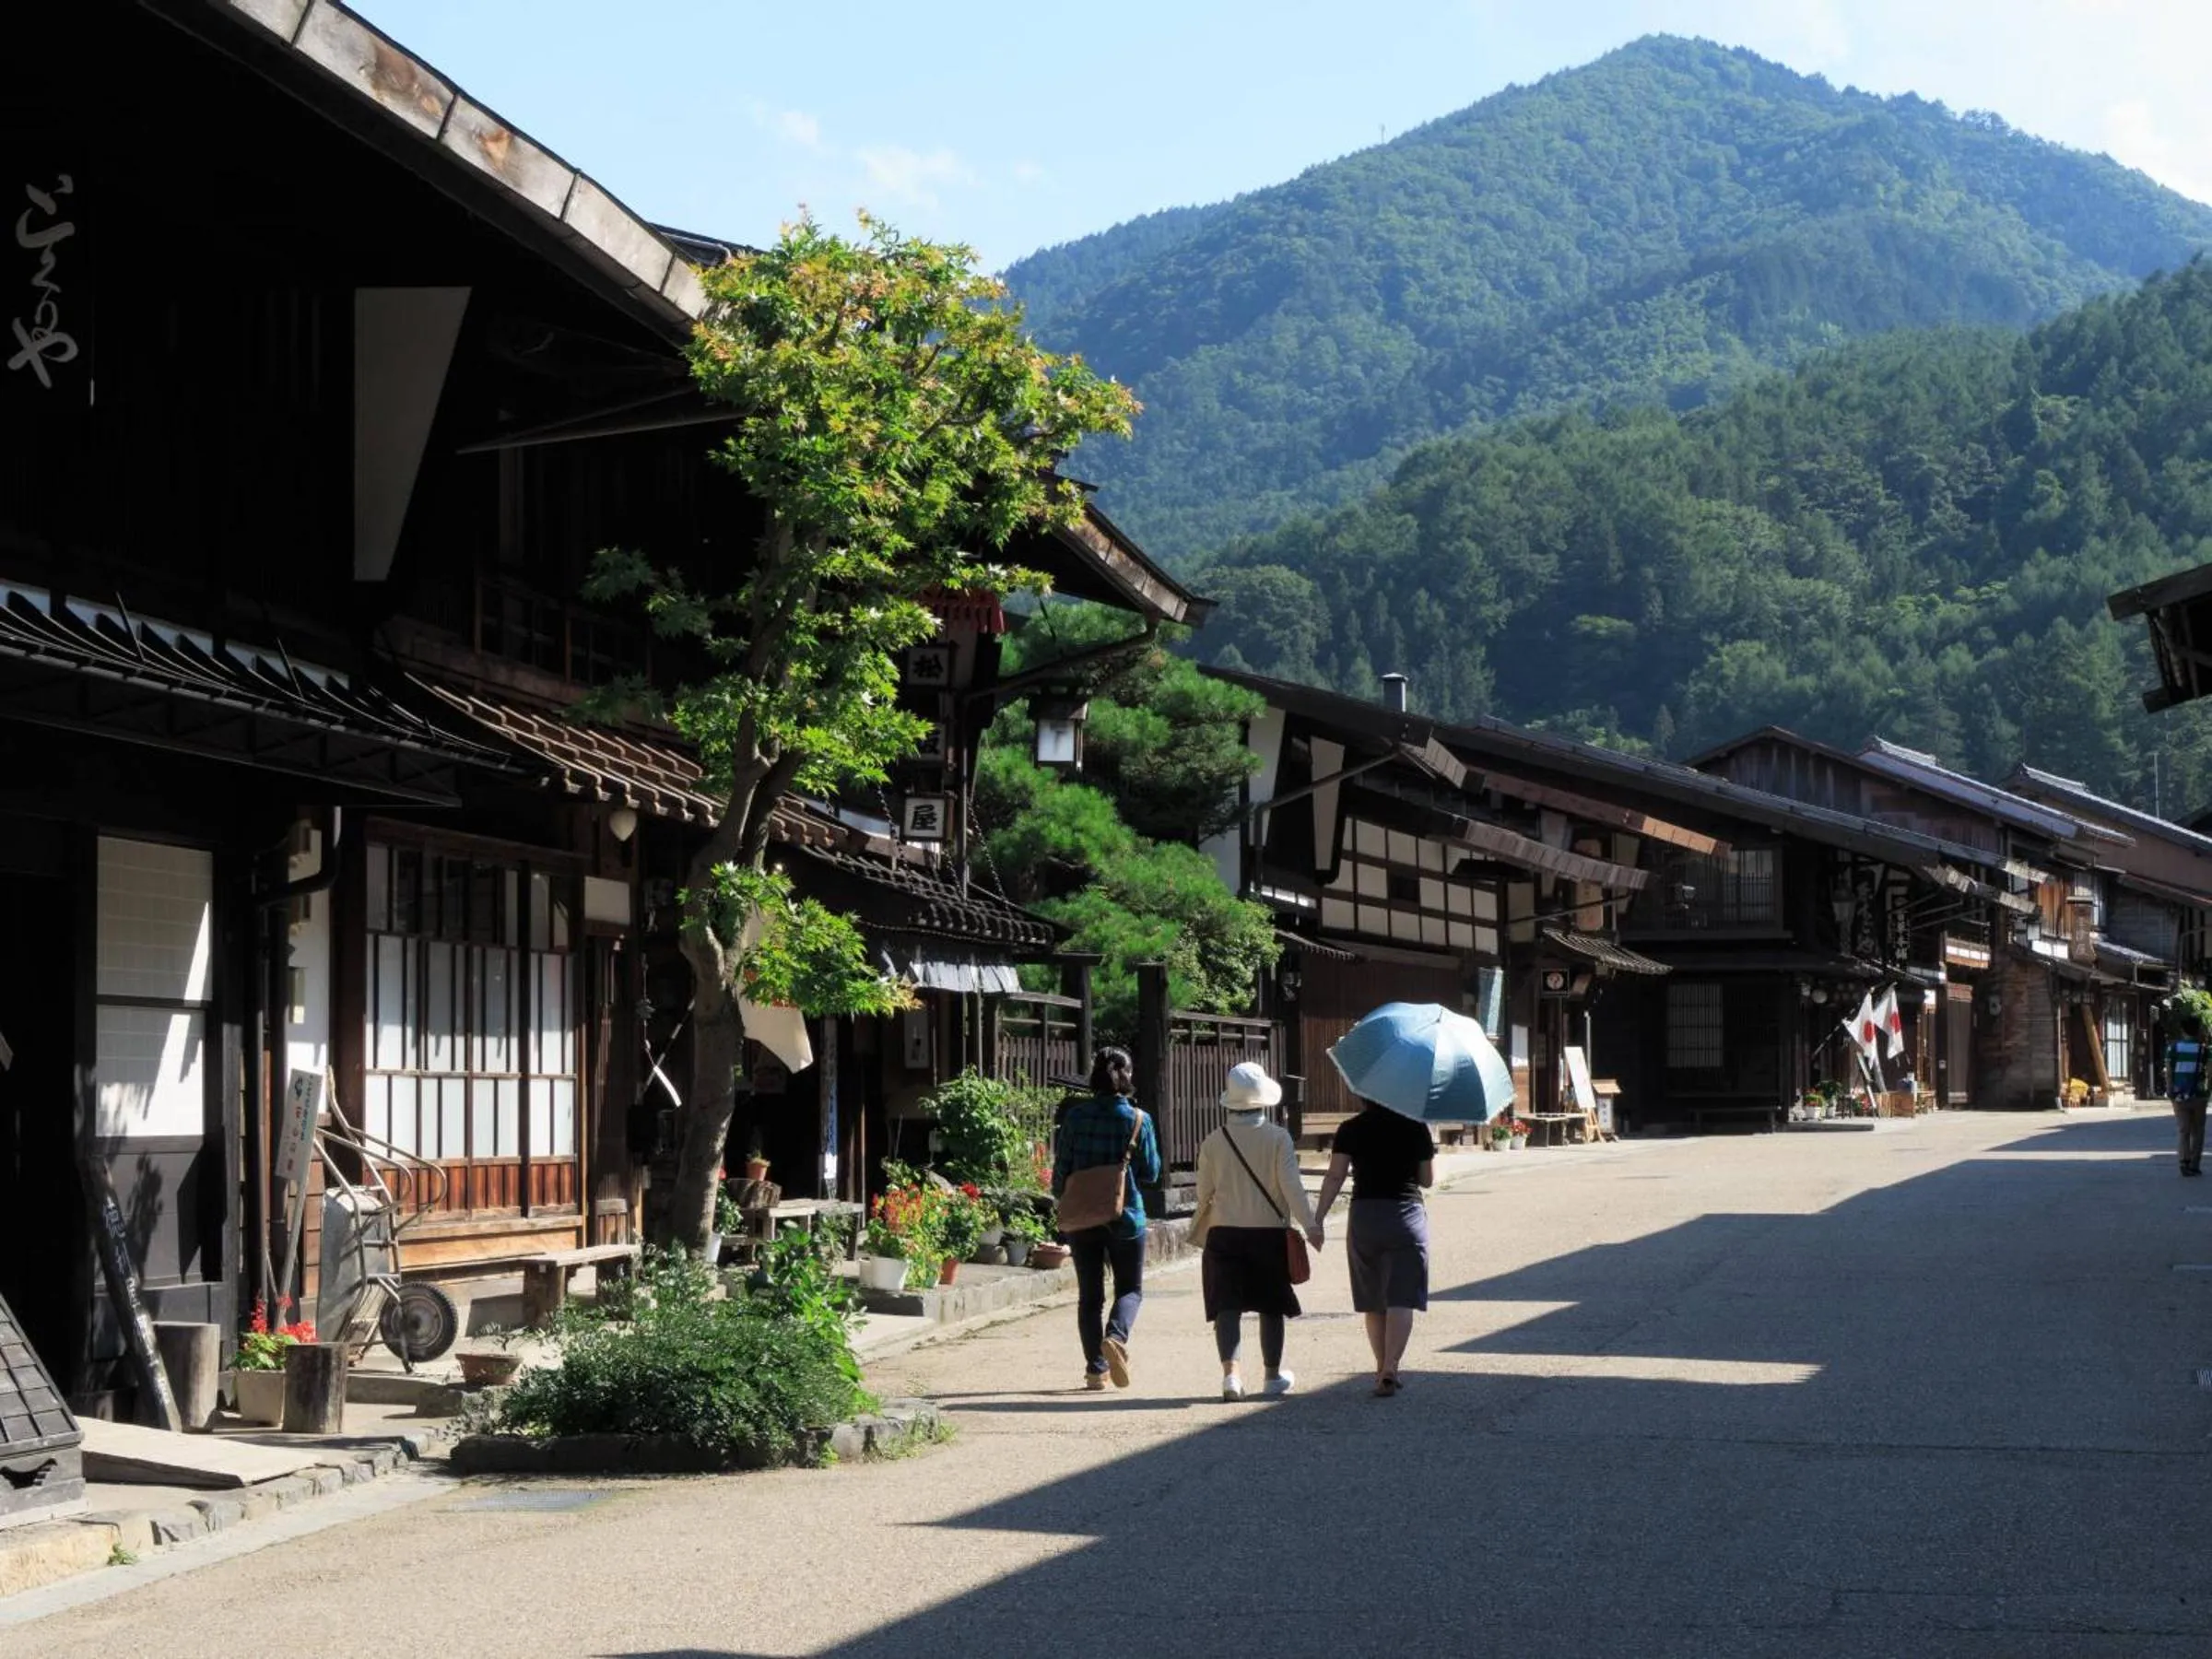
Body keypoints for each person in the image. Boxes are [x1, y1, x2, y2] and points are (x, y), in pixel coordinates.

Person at [1189, 1062, 1324, 1400]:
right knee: (1271, 1304)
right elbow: (1292, 1186)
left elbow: (1203, 1192)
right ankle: (1272, 1375)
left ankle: (1231, 1377)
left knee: (1227, 1306)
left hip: (1223, 1233)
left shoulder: (1213, 1141)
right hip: (1267, 1233)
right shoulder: (1278, 1138)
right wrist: (1310, 1225)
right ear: (1263, 1101)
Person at [1053, 1046, 1161, 1391]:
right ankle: (1115, 1336)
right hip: (1126, 1216)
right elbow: (1151, 1173)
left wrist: (1065, 1200)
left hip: (1084, 1217)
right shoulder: (1138, 1119)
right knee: (1129, 1289)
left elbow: (1061, 1172)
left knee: (1090, 1297)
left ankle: (1095, 1370)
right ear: (1127, 1075)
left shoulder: (1076, 1117)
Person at [1313, 1096, 1435, 1396]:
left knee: (1373, 1298)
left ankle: (1380, 1366)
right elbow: (1427, 1180)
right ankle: (1392, 1366)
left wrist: (1317, 1218)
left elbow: (1335, 1176)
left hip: (1365, 1217)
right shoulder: (1417, 1128)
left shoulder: (1350, 1128)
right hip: (1406, 1214)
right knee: (1400, 1298)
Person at [2168, 1009, 2208, 1177]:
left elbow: (2169, 1071)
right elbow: (2210, 1071)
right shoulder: (2204, 1050)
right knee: (2198, 1130)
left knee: (2183, 1129)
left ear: (2183, 1030)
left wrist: (2170, 1089)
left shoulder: (2174, 1048)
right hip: (2199, 1094)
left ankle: (2183, 1161)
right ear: (2198, 1030)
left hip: (2179, 1094)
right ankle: (2194, 1164)